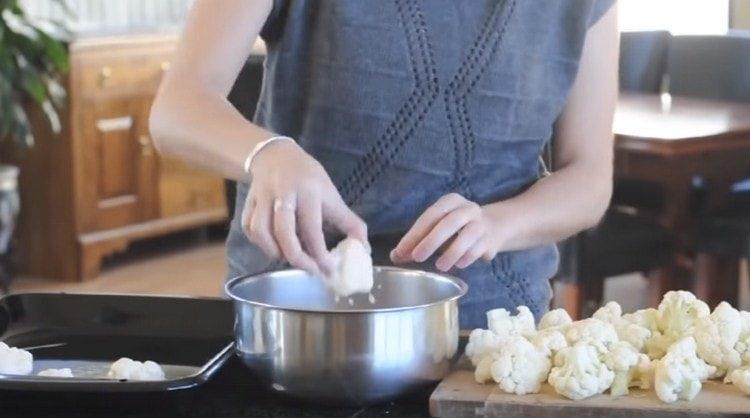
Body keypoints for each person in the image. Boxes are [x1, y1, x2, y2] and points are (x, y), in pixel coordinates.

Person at [150, 0, 618, 328]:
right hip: (296, 314)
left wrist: (501, 224)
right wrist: (266, 153)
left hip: (489, 331)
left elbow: (589, 177)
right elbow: (178, 108)